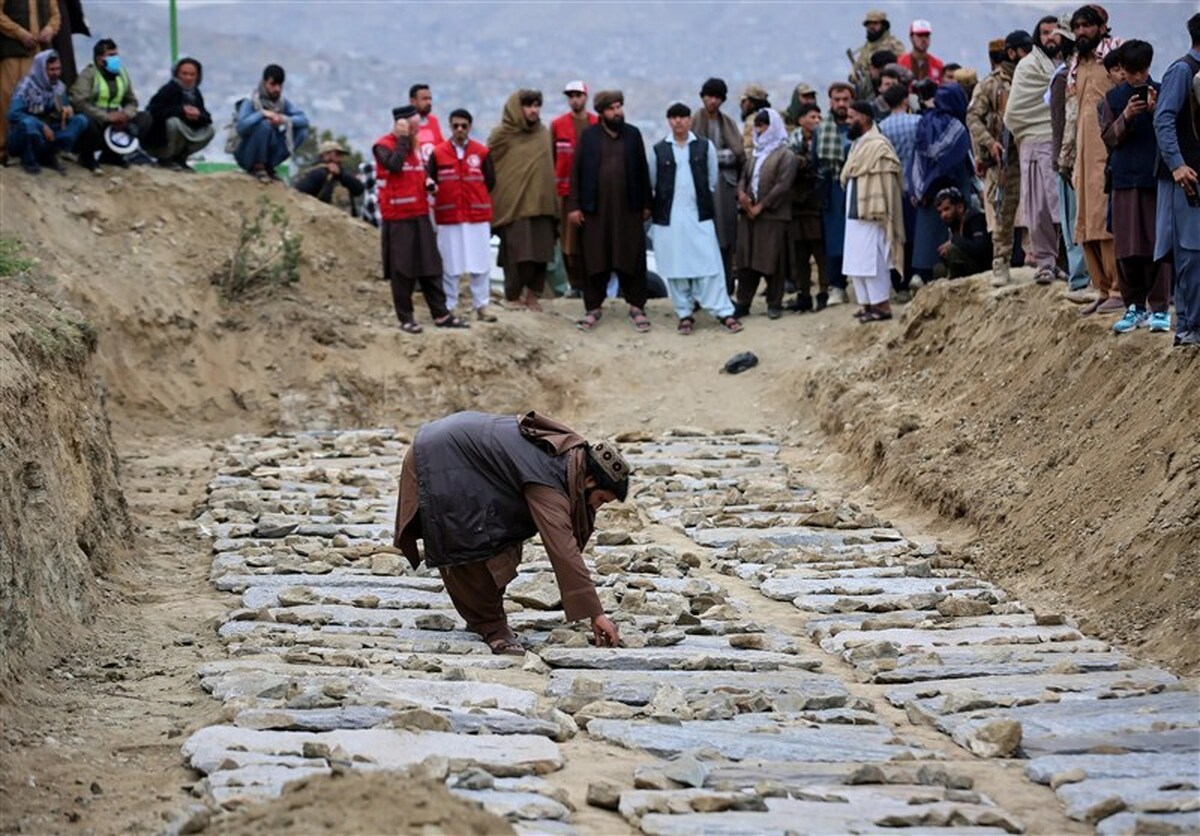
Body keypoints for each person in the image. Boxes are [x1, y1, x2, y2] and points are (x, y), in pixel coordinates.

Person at [393, 411, 627, 655]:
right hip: (442, 457)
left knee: (503, 532)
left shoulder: (569, 456)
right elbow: (562, 547)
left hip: (454, 449)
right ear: (589, 480)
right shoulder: (549, 476)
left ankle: (484, 614)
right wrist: (595, 613)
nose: (596, 507)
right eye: (600, 499)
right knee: (467, 538)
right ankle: (490, 626)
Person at [648, 102, 743, 334]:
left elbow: (711, 180)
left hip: (698, 214)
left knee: (709, 264)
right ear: (668, 121)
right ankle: (684, 313)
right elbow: (653, 182)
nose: (678, 122)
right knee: (676, 267)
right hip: (669, 218)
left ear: (689, 120)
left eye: (682, 117)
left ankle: (724, 312)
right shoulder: (658, 150)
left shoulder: (704, 147)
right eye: (673, 118)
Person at [374, 104, 468, 334]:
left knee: (430, 266)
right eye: (413, 126)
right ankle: (406, 318)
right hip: (397, 217)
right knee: (402, 270)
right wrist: (403, 138)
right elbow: (394, 165)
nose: (417, 131)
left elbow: (416, 173)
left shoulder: (415, 147)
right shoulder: (383, 146)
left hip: (420, 214)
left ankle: (441, 314)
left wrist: (428, 183)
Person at [566, 90, 653, 333]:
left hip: (628, 210)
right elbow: (577, 172)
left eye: (619, 106)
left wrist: (647, 203)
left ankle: (637, 306)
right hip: (596, 211)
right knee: (595, 257)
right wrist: (574, 206)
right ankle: (593, 307)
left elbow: (642, 170)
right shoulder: (589, 136)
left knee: (632, 257)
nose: (618, 112)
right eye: (612, 108)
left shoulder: (633, 135)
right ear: (601, 112)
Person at [1100, 40, 1171, 334]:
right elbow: (1108, 138)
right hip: (1124, 179)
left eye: (1141, 72)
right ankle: (1134, 307)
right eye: (1131, 73)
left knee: (1157, 245)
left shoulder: (1163, 92)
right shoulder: (1113, 99)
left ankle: (1160, 308)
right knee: (1127, 247)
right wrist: (1127, 116)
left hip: (1154, 178)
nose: (1137, 79)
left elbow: (1171, 131)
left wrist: (1156, 113)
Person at [1066, 4, 1124, 313]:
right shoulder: (1077, 63)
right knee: (1085, 223)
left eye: (1086, 26)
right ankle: (1101, 289)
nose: (1080, 32)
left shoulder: (1114, 58)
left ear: (1101, 28)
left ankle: (1118, 289)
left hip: (1107, 156)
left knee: (1104, 222)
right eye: (1076, 27)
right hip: (1082, 158)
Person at [1005, 16, 1063, 287]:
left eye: (1055, 32)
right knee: (1039, 207)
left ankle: (1069, 263)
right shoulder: (1028, 66)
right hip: (1034, 141)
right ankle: (1044, 263)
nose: (1050, 37)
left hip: (1066, 142)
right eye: (1045, 32)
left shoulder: (1072, 64)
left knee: (1065, 207)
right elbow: (1015, 111)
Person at [1153, 13, 1200, 347]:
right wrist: (1178, 165)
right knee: (1190, 253)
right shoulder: (1183, 71)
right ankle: (1189, 327)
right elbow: (1164, 119)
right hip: (1186, 179)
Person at [488, 89, 557, 311]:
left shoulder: (544, 134)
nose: (533, 110)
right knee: (517, 254)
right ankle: (513, 295)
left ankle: (532, 295)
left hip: (542, 204)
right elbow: (490, 168)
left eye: (537, 105)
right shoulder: (502, 135)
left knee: (541, 253)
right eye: (528, 105)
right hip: (514, 206)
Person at [969, 32, 1027, 286]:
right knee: (1003, 212)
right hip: (1004, 158)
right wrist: (990, 143)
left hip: (1032, 152)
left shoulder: (1031, 78)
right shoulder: (990, 84)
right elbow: (973, 118)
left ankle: (1045, 260)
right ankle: (1000, 263)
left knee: (1042, 209)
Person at [429, 108, 497, 323]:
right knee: (450, 264)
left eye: (464, 126)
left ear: (470, 127)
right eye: (455, 125)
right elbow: (429, 180)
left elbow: (491, 181)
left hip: (476, 215)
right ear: (450, 127)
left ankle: (482, 305)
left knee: (480, 263)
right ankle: (449, 306)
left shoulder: (482, 152)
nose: (459, 130)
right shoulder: (438, 153)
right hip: (449, 217)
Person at [841, 101, 905, 322]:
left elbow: (888, 182)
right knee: (856, 262)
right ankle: (867, 304)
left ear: (865, 118)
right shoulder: (857, 145)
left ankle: (882, 307)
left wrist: (882, 209)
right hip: (854, 214)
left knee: (873, 261)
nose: (848, 121)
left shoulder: (879, 145)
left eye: (852, 117)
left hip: (873, 213)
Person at [733, 108, 797, 320]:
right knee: (746, 261)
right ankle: (743, 302)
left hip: (773, 216)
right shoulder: (755, 154)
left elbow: (783, 185)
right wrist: (742, 195)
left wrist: (762, 206)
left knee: (773, 261)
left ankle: (774, 303)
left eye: (763, 125)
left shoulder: (786, 155)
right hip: (749, 216)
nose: (760, 130)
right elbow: (744, 177)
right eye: (757, 126)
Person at [909, 83, 974, 284]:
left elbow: (919, 157)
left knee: (927, 236)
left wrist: (920, 187)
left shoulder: (926, 121)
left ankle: (923, 275)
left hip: (927, 192)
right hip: (955, 185)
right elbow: (960, 156)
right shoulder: (956, 125)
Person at [1047, 17, 1091, 297]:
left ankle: (1080, 279)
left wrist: (1061, 160)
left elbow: (1061, 124)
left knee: (1074, 220)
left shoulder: (1066, 76)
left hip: (1069, 159)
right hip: (1075, 157)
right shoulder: (1068, 74)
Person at [693, 77, 745, 297]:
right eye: (709, 96)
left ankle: (724, 289)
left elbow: (738, 154)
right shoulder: (694, 121)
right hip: (699, 189)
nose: (712, 101)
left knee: (724, 241)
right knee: (700, 243)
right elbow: (694, 154)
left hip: (725, 188)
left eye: (717, 97)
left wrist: (714, 157)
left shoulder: (728, 123)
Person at [69, 37, 150, 171]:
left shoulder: (122, 73)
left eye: (116, 55)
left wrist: (125, 115)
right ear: (100, 59)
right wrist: (106, 116)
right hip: (98, 120)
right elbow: (79, 102)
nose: (116, 59)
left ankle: (112, 155)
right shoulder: (89, 75)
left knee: (145, 118)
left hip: (118, 121)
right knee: (85, 122)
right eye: (111, 56)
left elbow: (131, 100)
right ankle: (86, 156)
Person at [551, 80, 597, 295]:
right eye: (571, 96)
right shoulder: (558, 125)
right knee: (567, 243)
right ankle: (574, 283)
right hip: (566, 192)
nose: (574, 99)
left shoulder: (596, 123)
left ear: (585, 97)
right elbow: (552, 157)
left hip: (592, 192)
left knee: (590, 240)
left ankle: (590, 283)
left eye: (578, 95)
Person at [6, 48, 83, 173]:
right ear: (41, 69)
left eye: (58, 69)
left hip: (48, 135)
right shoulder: (26, 85)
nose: (56, 73)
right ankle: (28, 159)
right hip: (24, 136)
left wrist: (67, 111)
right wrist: (41, 126)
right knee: (29, 124)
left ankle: (49, 156)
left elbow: (61, 111)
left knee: (80, 120)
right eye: (51, 70)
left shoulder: (59, 87)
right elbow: (13, 114)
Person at [0, 0, 59, 164]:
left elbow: (55, 16)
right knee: (7, 99)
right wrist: (19, 32)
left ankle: (29, 149)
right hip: (12, 52)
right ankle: (3, 150)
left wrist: (49, 29)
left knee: (33, 102)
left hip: (37, 56)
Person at [878, 83, 921, 293]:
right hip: (915, 186)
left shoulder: (882, 127)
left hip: (893, 187)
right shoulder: (918, 122)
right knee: (915, 234)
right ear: (906, 100)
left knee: (897, 236)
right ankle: (916, 274)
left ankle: (899, 281)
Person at [786, 103, 829, 312]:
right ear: (801, 119)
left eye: (819, 117)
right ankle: (804, 294)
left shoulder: (824, 141)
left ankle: (823, 292)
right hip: (797, 205)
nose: (816, 121)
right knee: (800, 255)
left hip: (816, 204)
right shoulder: (792, 142)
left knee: (820, 253)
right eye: (812, 116)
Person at [233, 64, 308, 183]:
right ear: (264, 83)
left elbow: (303, 120)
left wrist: (282, 119)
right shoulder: (250, 100)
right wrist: (262, 114)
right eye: (273, 85)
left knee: (301, 131)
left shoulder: (281, 102)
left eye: (280, 85)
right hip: (247, 151)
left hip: (270, 149)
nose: (277, 89)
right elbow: (241, 127)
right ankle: (257, 167)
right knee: (264, 125)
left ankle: (269, 166)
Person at [818, 82, 856, 305]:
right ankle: (838, 287)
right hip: (833, 192)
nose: (841, 104)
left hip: (858, 190)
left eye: (845, 99)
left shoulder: (863, 127)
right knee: (834, 242)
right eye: (837, 100)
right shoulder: (823, 130)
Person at [143, 57, 213, 171]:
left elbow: (207, 118)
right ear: (177, 74)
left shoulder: (195, 93)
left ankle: (180, 159)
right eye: (184, 74)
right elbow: (154, 111)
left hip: (186, 132)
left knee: (209, 130)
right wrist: (181, 111)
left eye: (192, 74)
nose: (188, 78)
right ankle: (166, 159)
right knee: (173, 123)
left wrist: (197, 115)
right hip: (162, 138)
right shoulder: (169, 89)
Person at [933, 186, 992, 278]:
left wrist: (955, 241)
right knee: (938, 269)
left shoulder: (975, 219)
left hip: (983, 267)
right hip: (969, 264)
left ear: (960, 207)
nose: (943, 215)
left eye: (946, 209)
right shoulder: (954, 223)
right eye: (940, 212)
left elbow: (980, 248)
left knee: (951, 251)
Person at [851, 9, 906, 103]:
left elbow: (902, 68)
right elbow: (857, 69)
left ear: (883, 26)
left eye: (875, 23)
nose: (871, 27)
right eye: (869, 24)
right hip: (867, 89)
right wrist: (854, 75)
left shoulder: (894, 45)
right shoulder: (865, 49)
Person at [294, 139, 364, 211]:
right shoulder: (317, 173)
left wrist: (341, 175)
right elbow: (297, 194)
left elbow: (359, 189)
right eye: (337, 154)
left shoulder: (341, 174)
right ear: (326, 155)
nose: (341, 158)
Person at [899, 19, 944, 85]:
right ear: (911, 38)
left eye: (926, 35)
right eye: (919, 35)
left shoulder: (938, 64)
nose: (923, 39)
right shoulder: (900, 63)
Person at [409, 82, 442, 166]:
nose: (429, 102)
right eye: (424, 99)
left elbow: (440, 145)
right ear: (413, 101)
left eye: (430, 99)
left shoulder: (433, 121)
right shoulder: (405, 123)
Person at [738, 83, 770, 159]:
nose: (741, 105)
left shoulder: (752, 121)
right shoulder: (771, 117)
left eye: (744, 101)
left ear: (751, 103)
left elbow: (748, 149)